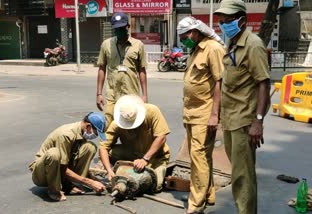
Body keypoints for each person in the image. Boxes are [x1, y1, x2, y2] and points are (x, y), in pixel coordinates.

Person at [214, 0, 271, 213]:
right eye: (221, 21)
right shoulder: (232, 43)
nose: (223, 25)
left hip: (244, 122)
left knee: (243, 176)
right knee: (238, 173)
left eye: (228, 21)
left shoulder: (253, 44)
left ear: (242, 20)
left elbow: (263, 83)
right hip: (231, 120)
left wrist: (258, 122)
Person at [176, 17, 226, 214]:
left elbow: (220, 82)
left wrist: (215, 115)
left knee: (198, 157)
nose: (183, 41)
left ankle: (196, 203)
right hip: (192, 113)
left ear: (195, 32)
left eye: (184, 36)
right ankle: (209, 193)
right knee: (203, 156)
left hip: (205, 114)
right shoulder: (196, 49)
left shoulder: (212, 48)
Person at [28, 112, 107, 201]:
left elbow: (67, 161)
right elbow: (62, 167)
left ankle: (68, 184)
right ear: (88, 126)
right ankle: (53, 189)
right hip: (42, 174)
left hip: (60, 168)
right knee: (53, 153)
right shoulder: (66, 135)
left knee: (90, 147)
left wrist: (95, 180)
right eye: (96, 133)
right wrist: (89, 182)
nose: (95, 136)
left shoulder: (81, 132)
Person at [99, 95, 170, 192]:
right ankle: (113, 166)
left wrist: (145, 159)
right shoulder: (117, 123)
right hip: (132, 154)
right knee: (112, 152)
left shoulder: (152, 111)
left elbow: (161, 137)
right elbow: (103, 147)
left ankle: (154, 169)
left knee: (155, 186)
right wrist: (109, 170)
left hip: (155, 157)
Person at [96, 12, 148, 129]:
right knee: (109, 129)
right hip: (112, 96)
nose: (119, 31)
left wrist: (144, 95)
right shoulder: (106, 45)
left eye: (121, 28)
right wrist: (99, 93)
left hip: (131, 95)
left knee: (130, 130)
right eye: (116, 29)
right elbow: (102, 68)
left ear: (128, 27)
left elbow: (142, 70)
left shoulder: (138, 45)